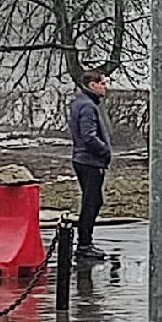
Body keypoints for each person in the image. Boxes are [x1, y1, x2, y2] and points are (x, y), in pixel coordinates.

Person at [68, 69, 111, 260]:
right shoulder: (88, 106)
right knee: (91, 202)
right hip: (90, 161)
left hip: (84, 159)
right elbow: (88, 136)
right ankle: (84, 244)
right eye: (103, 83)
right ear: (93, 85)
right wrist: (104, 150)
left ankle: (85, 242)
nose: (106, 87)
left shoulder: (82, 102)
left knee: (93, 201)